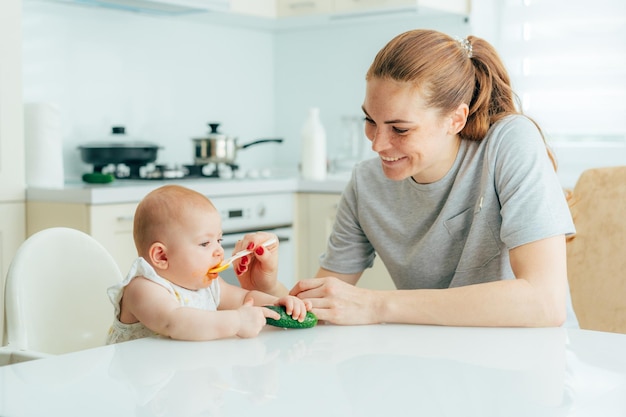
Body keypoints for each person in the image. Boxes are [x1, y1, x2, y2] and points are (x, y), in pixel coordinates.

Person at [263, 29, 578, 327]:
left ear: (455, 119)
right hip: (431, 363)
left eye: (400, 129)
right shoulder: (367, 184)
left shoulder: (508, 143)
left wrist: (376, 305)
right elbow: (324, 306)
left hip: (532, 363)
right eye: (370, 121)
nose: (377, 144)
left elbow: (544, 302)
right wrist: (268, 287)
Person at [106, 184, 311, 344]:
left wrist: (276, 304)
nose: (219, 251)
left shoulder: (208, 285)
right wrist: (237, 322)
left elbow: (245, 298)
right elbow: (175, 322)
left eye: (219, 241)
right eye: (205, 243)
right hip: (138, 387)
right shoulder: (143, 288)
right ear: (161, 256)